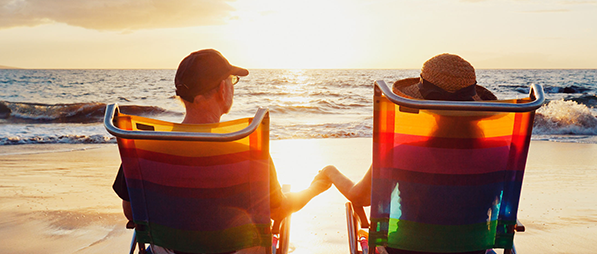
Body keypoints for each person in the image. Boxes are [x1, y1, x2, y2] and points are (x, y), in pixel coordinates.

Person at [112, 49, 331, 227]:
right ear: (222, 90)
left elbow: (132, 211)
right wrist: (314, 189)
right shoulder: (248, 149)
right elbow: (278, 210)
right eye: (232, 80)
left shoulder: (146, 147)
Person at [317, 53, 497, 207]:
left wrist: (330, 171)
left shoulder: (402, 153)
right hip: (476, 249)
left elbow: (360, 197)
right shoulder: (497, 157)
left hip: (403, 249)